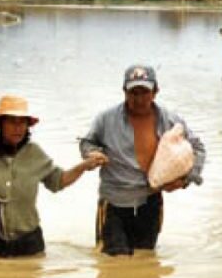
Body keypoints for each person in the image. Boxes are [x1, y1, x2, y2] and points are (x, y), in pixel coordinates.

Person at [0, 95, 106, 259]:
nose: (18, 128)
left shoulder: (34, 153)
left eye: (23, 122)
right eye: (12, 122)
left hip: (28, 240)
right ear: (0, 124)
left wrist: (84, 166)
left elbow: (58, 181)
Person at [79, 64, 206, 256]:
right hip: (114, 203)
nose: (139, 99)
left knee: (145, 258)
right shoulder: (106, 119)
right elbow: (87, 142)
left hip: (151, 203)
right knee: (114, 263)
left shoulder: (170, 120)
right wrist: (92, 154)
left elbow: (197, 147)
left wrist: (186, 179)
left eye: (144, 92)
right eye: (133, 92)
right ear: (124, 92)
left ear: (155, 92)